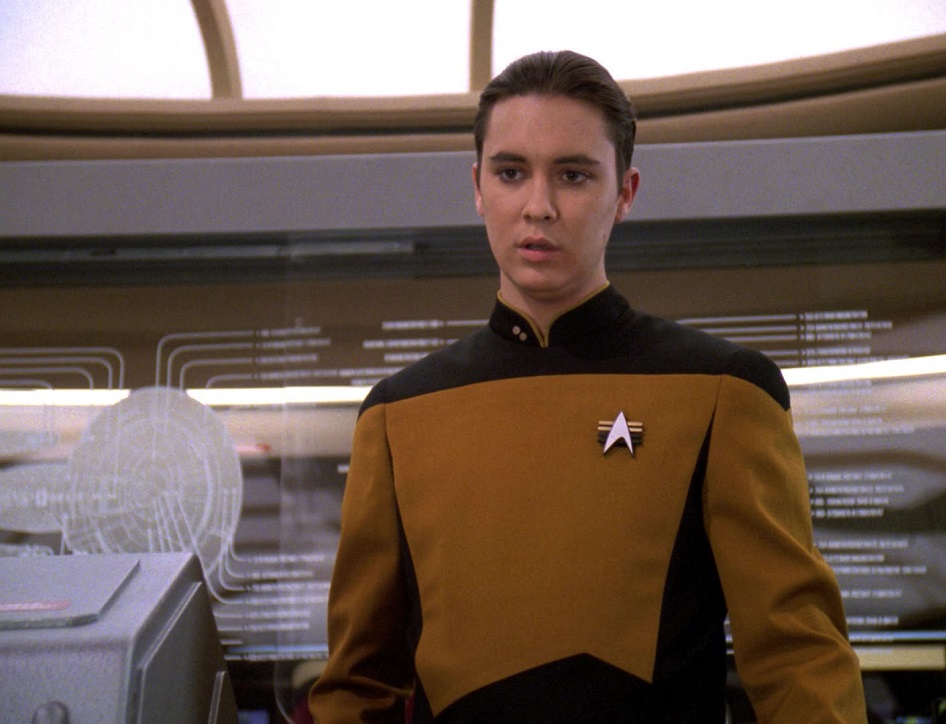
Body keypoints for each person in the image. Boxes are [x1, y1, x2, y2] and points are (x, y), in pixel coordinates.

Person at [310, 50, 867, 722]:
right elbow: (356, 686)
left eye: (573, 175)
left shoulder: (723, 390)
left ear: (625, 192)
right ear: (478, 187)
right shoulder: (397, 415)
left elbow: (797, 660)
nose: (538, 207)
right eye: (511, 173)